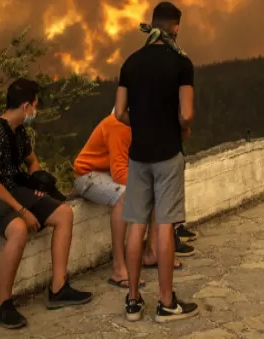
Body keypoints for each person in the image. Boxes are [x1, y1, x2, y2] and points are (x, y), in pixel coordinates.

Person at [0, 78, 92, 329]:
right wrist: (22, 210)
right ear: (25, 106)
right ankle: (3, 305)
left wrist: (38, 186)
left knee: (64, 213)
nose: (36, 110)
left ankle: (58, 288)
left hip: (12, 188)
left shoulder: (18, 130)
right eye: (34, 105)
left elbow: (32, 161)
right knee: (18, 229)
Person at [114, 1, 199, 323]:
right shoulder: (181, 63)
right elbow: (187, 112)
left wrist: (142, 123)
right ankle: (166, 303)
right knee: (164, 225)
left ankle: (133, 300)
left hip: (138, 156)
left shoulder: (131, 62)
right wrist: (182, 127)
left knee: (136, 223)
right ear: (175, 27)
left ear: (152, 24)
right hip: (167, 154)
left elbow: (120, 112)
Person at [72, 112, 192, 290]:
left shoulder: (142, 124)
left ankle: (152, 252)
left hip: (108, 173)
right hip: (88, 176)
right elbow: (120, 172)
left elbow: (182, 135)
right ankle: (118, 267)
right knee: (125, 197)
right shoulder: (119, 125)